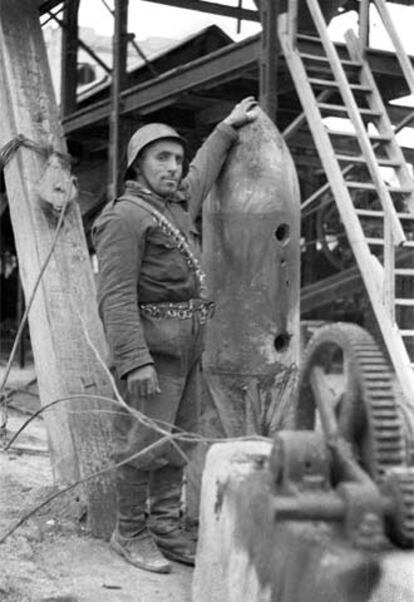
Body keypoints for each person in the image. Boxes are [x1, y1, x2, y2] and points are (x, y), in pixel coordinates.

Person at [92, 96, 258, 574]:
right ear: (137, 166)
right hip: (152, 352)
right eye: (161, 158)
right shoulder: (125, 217)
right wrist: (133, 360)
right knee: (141, 443)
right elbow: (116, 297)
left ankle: (165, 529)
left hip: (188, 350)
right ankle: (130, 533)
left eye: (177, 158)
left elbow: (203, 171)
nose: (173, 167)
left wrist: (227, 128)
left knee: (178, 441)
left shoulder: (177, 203)